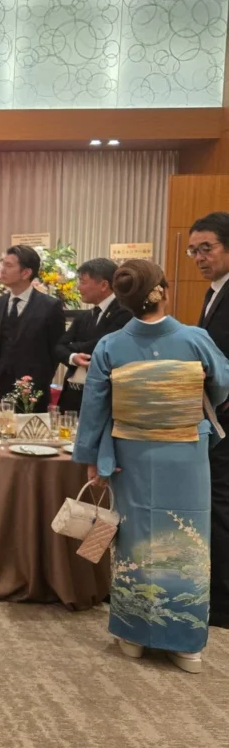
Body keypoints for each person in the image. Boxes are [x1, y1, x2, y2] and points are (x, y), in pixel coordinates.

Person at [73, 260, 229, 673]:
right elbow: (221, 384)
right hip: (185, 453)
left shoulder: (110, 346)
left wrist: (91, 460)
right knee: (188, 536)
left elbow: (94, 409)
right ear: (163, 289)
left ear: (123, 299)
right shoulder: (196, 340)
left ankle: (133, 634)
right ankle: (186, 643)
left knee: (136, 536)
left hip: (132, 453)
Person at [190, 211, 229, 629]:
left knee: (220, 505)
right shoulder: (213, 291)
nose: (199, 258)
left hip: (225, 415)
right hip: (214, 413)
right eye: (193, 250)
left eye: (207, 248)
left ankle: (222, 602)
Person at [0, 245, 65, 412]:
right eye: (3, 264)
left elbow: (55, 350)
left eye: (9, 265)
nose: (2, 270)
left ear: (26, 273)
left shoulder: (49, 306)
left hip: (32, 390)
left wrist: (39, 380)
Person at [54, 258, 132, 413]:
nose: (78, 287)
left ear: (103, 285)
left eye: (83, 282)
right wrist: (73, 357)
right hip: (72, 395)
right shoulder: (85, 316)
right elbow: (58, 347)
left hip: (102, 396)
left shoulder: (124, 313)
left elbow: (103, 345)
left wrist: (73, 347)